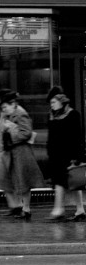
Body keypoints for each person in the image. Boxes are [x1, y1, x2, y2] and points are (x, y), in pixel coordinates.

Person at [0, 89, 45, 220]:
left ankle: (26, 209)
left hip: (21, 152)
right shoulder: (6, 114)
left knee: (24, 181)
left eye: (5, 107)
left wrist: (11, 133)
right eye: (2, 107)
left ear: (12, 104)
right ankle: (16, 207)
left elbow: (26, 132)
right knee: (4, 179)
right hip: (10, 152)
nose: (3, 110)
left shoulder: (20, 113)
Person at [44, 86, 86, 222]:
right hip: (56, 156)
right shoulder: (52, 116)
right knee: (65, 182)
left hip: (69, 155)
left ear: (61, 101)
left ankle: (60, 209)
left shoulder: (73, 115)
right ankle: (78, 210)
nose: (51, 105)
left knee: (72, 182)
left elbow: (77, 137)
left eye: (53, 102)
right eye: (50, 103)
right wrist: (49, 153)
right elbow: (50, 138)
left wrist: (78, 157)